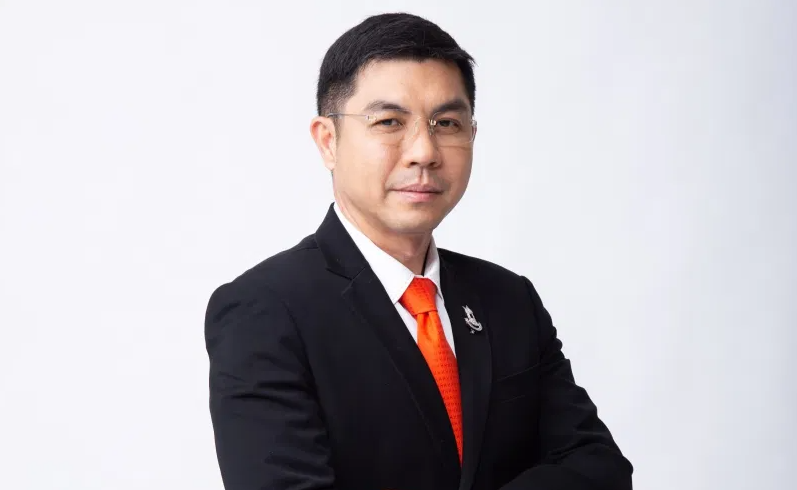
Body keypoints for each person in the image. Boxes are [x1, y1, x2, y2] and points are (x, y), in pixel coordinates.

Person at [204, 12, 633, 490]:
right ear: (328, 141)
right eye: (389, 122)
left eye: (446, 123)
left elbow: (599, 467)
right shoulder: (264, 311)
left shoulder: (510, 300)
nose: (424, 151)